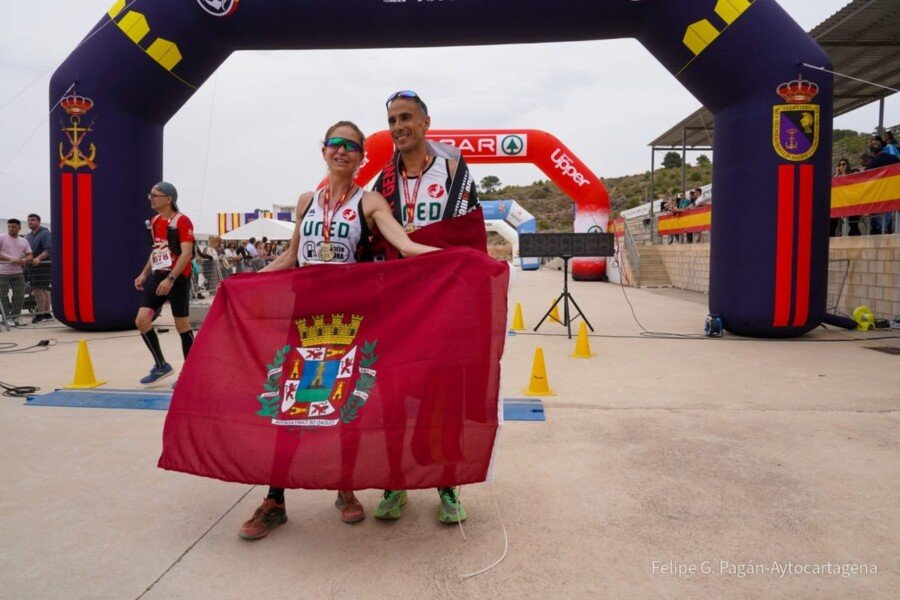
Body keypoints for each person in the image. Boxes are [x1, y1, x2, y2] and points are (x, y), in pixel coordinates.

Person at [238, 120, 439, 541]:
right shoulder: (306, 201)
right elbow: (292, 256)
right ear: (324, 150)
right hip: (305, 323)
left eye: (351, 146)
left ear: (362, 157)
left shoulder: (370, 202)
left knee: (344, 408)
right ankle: (274, 500)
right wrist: (244, 284)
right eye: (335, 143)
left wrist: (460, 258)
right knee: (289, 408)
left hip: (349, 325)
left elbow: (405, 246)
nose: (342, 151)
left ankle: (344, 488)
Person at [369, 90, 480, 525]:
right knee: (393, 394)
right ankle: (394, 482)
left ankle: (447, 484)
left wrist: (427, 242)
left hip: (444, 299)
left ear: (426, 122)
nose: (399, 127)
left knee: (444, 394)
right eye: (393, 120)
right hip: (398, 302)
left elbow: (470, 232)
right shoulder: (382, 182)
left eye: (407, 118)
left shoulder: (452, 168)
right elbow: (373, 240)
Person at [133, 182, 196, 385]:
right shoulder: (155, 221)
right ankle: (161, 365)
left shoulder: (182, 221)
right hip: (159, 276)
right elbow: (157, 251)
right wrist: (144, 274)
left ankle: (191, 373)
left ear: (168, 199)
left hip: (178, 279)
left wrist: (171, 279)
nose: (151, 198)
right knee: (142, 320)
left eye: (155, 195)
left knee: (182, 326)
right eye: (150, 194)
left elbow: (186, 254)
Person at [0, 219, 33, 327]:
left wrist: (23, 260)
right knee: (3, 295)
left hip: (18, 272)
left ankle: (16, 316)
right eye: (9, 226)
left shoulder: (23, 241)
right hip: (2, 272)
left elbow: (30, 255)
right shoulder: (2, 237)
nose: (10, 229)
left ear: (19, 228)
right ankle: (7, 317)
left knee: (19, 294)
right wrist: (11, 259)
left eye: (13, 227)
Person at [24, 213, 52, 323]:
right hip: (32, 267)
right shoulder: (29, 235)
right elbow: (27, 251)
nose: (30, 221)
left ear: (39, 222)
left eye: (33, 220)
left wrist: (39, 258)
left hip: (43, 266)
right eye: (29, 220)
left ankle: (40, 315)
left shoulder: (45, 233)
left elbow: (49, 249)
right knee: (44, 290)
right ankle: (46, 314)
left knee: (38, 290)